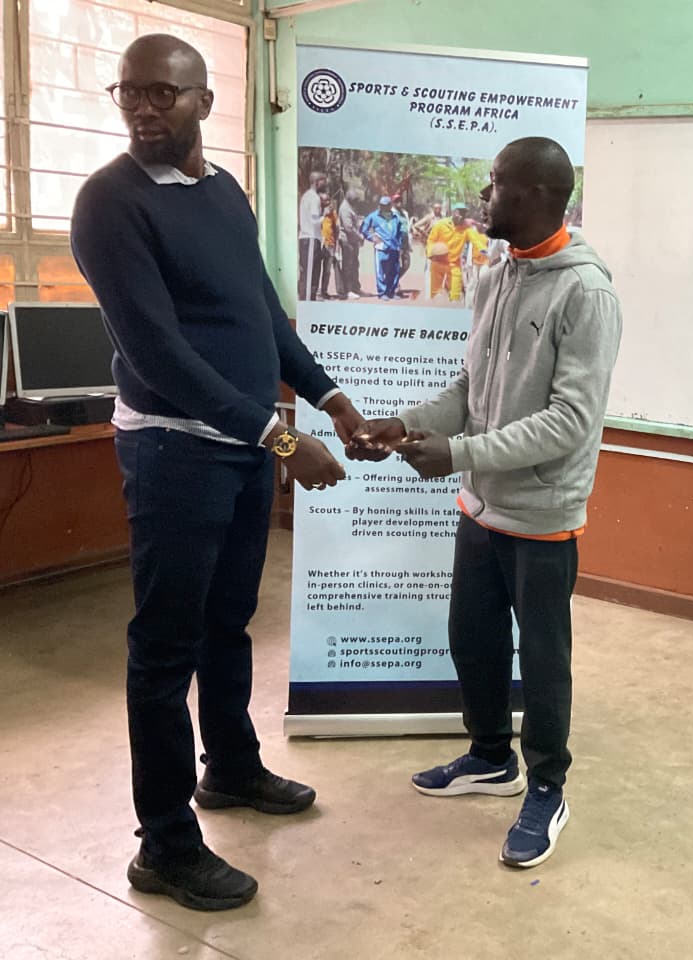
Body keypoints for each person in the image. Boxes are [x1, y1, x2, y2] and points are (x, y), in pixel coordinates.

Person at [69, 34, 365, 912]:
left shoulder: (223, 191)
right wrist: (284, 443)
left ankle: (230, 767)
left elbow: (261, 315)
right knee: (165, 648)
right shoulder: (109, 203)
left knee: (227, 623)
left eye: (163, 92)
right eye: (130, 92)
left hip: (240, 447)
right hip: (174, 450)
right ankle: (163, 846)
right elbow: (157, 355)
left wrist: (331, 398)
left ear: (204, 100)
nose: (143, 107)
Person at [349, 137, 622, 869]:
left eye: (495, 183)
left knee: (543, 659)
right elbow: (470, 391)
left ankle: (547, 788)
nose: (482, 195)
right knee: (472, 639)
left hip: (541, 516)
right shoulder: (496, 275)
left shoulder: (586, 294)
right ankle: (491, 758)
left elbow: (570, 422)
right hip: (480, 506)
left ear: (535, 194)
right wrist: (405, 424)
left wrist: (461, 453)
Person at [426, 202, 486, 302]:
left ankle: (453, 303)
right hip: (438, 262)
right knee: (435, 295)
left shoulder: (466, 229)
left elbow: (476, 240)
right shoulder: (441, 224)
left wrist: (485, 251)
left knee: (455, 296)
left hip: (454, 264)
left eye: (464, 213)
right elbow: (431, 240)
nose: (462, 216)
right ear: (453, 212)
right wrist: (430, 253)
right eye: (459, 212)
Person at [361, 195, 408, 300]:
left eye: (385, 205)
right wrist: (372, 237)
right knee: (381, 271)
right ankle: (382, 293)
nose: (382, 207)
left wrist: (400, 244)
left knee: (394, 271)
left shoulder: (396, 217)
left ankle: (391, 292)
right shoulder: (373, 216)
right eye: (381, 205)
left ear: (390, 205)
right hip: (381, 248)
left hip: (394, 248)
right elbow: (364, 229)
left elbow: (401, 231)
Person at [298, 170, 327, 301]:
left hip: (308, 239)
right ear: (316, 182)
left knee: (309, 273)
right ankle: (308, 301)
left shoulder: (307, 196)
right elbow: (314, 221)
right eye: (323, 181)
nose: (324, 184)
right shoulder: (314, 198)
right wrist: (325, 215)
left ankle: (309, 300)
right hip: (310, 239)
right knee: (310, 275)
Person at [337, 188, 364, 299]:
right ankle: (348, 290)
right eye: (355, 199)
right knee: (348, 266)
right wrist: (359, 236)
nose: (356, 201)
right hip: (347, 241)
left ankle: (355, 288)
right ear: (349, 198)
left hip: (353, 241)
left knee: (355, 265)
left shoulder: (350, 207)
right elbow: (348, 228)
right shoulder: (345, 208)